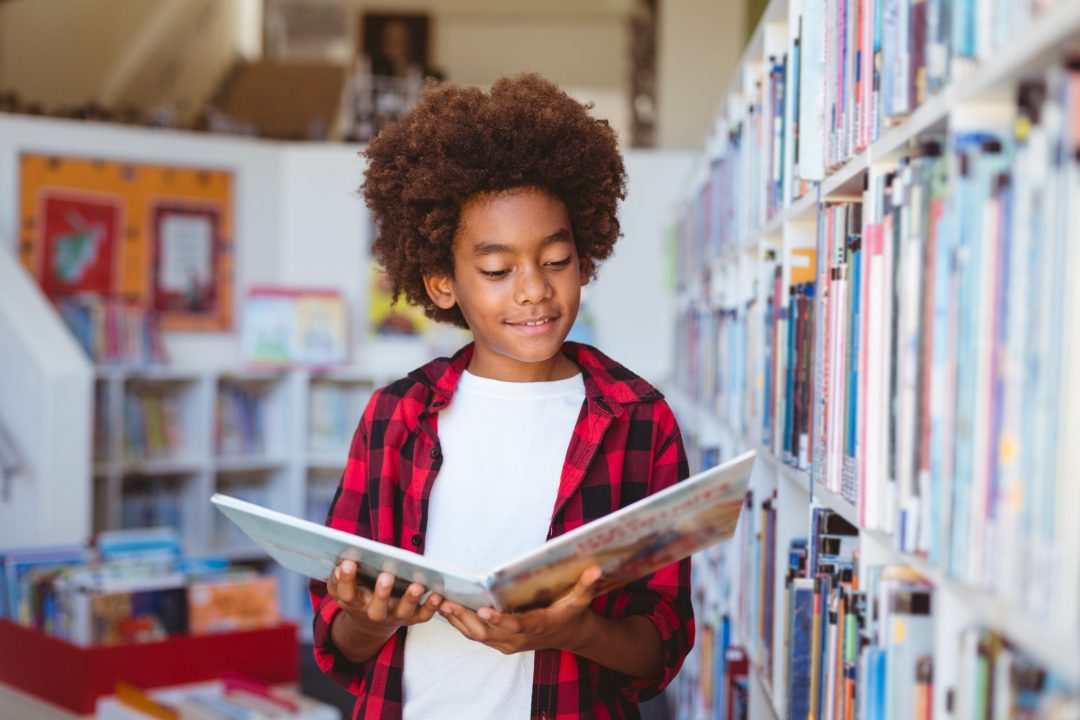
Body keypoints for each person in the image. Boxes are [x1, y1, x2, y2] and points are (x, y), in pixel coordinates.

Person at [309, 73, 694, 720]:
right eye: (495, 270)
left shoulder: (637, 419)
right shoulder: (395, 417)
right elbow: (339, 643)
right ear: (440, 284)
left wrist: (571, 632)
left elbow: (660, 649)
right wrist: (368, 620)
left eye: (556, 259)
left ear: (585, 259)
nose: (533, 290)